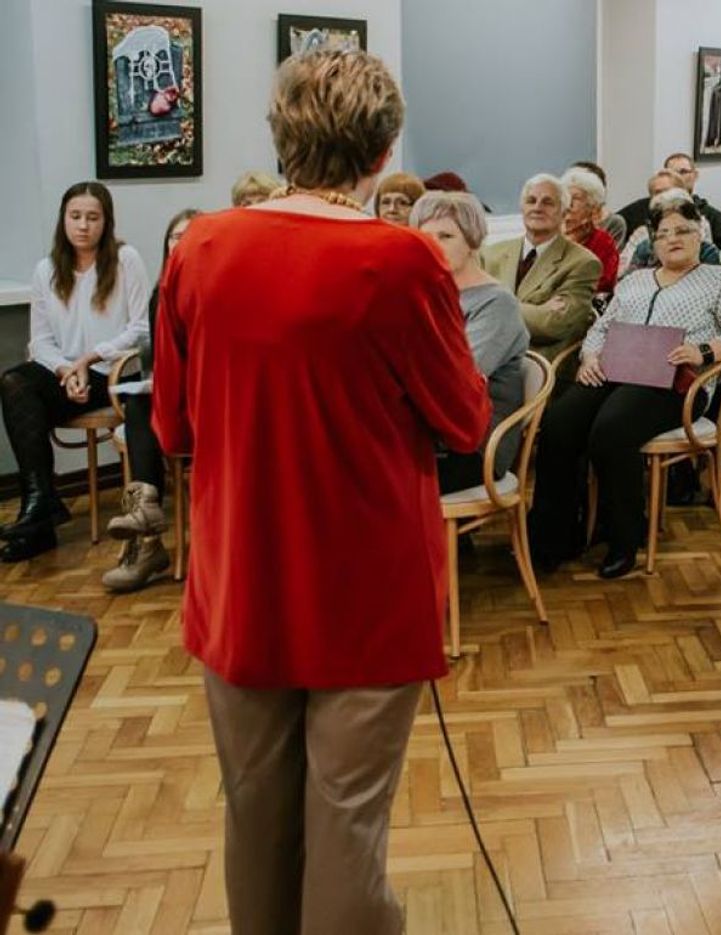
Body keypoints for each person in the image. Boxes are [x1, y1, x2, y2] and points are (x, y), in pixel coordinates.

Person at [151, 50, 490, 932]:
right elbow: (464, 420)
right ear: (382, 150)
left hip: (240, 573)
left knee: (255, 814)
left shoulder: (201, 247)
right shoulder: (401, 260)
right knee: (347, 827)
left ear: (282, 136)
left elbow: (172, 428)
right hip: (364, 585)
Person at [528, 200, 721, 580]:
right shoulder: (634, 280)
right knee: (559, 422)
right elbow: (601, 327)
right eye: (663, 234)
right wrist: (590, 358)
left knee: (611, 429)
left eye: (682, 231)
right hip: (616, 369)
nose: (672, 239)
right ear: (653, 243)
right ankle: (556, 536)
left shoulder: (719, 278)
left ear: (699, 235)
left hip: (675, 380)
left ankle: (624, 537)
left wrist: (704, 351)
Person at [1, 181, 149, 562]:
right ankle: (40, 503)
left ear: (106, 221)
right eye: (75, 216)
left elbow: (141, 328)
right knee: (14, 382)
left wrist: (88, 360)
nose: (83, 225)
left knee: (25, 393)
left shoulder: (126, 259)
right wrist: (67, 369)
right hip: (65, 374)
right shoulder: (46, 270)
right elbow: (40, 341)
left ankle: (39, 514)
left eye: (93, 217)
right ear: (63, 219)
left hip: (114, 374)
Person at [100, 208, 200, 592]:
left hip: (216, 401)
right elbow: (163, 358)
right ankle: (146, 522)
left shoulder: (223, 287)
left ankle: (147, 536)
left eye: (190, 235)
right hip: (179, 399)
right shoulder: (162, 293)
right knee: (139, 403)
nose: (182, 243)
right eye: (175, 237)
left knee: (147, 406)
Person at [412, 191, 529, 493]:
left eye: (446, 236)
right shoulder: (426, 294)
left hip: (473, 447)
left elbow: (454, 381)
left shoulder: (496, 303)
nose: (434, 245)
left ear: (472, 241)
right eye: (426, 237)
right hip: (426, 434)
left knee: (359, 476)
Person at [482, 173, 601, 358]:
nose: (537, 208)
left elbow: (552, 324)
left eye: (548, 202)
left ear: (564, 212)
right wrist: (534, 311)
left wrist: (490, 306)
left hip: (537, 363)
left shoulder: (583, 263)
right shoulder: (490, 254)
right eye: (531, 201)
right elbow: (467, 308)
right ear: (522, 208)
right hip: (486, 355)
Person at [561, 167, 620, 294]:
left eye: (576, 198)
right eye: (565, 197)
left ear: (592, 207)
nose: (568, 203)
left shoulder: (603, 241)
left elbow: (602, 282)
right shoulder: (551, 236)